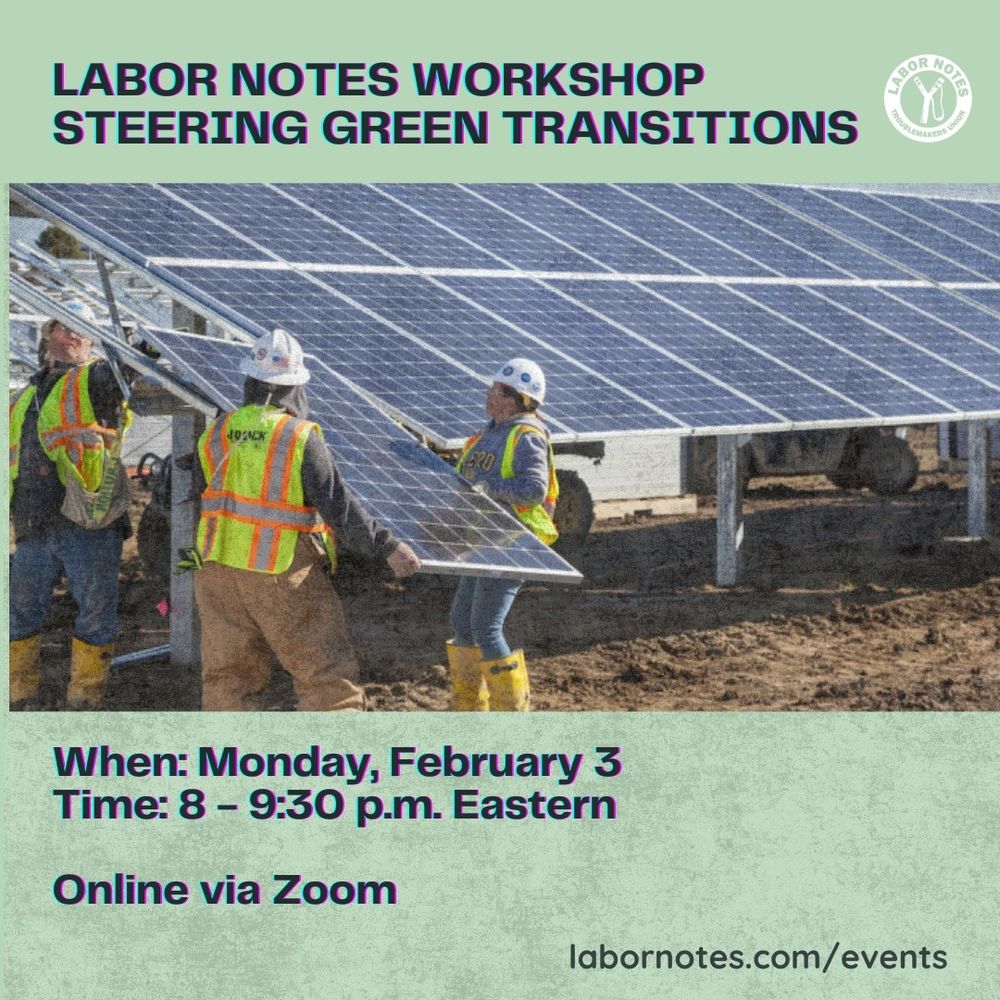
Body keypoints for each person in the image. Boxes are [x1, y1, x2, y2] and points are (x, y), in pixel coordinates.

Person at [190, 328, 421, 711]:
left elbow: (202, 498)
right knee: (325, 675)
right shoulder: (296, 435)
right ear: (294, 386)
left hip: (215, 571)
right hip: (277, 569)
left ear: (249, 379)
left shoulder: (216, 431)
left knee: (227, 679)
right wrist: (387, 546)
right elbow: (337, 506)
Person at [8, 300, 132, 709]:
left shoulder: (95, 379)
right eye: (65, 326)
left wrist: (138, 346)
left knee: (95, 613)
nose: (75, 334)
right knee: (19, 611)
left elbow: (122, 372)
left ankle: (85, 700)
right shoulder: (23, 396)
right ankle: (19, 694)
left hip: (88, 520)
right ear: (48, 334)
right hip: (34, 521)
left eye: (84, 328)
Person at [447, 358, 559, 712]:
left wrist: (488, 487)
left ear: (514, 399)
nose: (488, 394)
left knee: (485, 627)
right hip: (481, 541)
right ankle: (470, 710)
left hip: (513, 543)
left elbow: (533, 490)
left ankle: (510, 716)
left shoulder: (527, 437)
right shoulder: (485, 436)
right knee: (461, 622)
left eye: (495, 390)